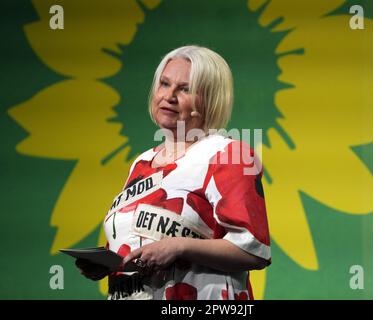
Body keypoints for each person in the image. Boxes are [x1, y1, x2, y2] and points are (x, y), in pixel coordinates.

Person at [76, 45, 271, 300]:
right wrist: (112, 262)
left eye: (185, 89)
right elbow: (145, 238)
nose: (169, 96)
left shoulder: (228, 154)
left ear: (210, 98)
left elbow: (254, 250)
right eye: (164, 84)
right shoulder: (142, 162)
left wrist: (179, 247)